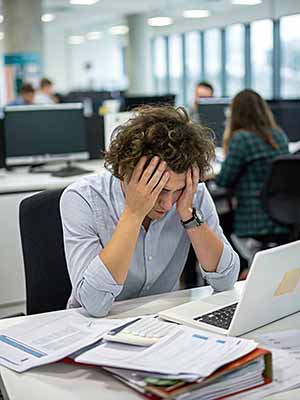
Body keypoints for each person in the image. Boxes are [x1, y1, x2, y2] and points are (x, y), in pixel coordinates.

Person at [60, 105, 240, 317]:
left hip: (163, 321)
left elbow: (226, 280)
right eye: (159, 190)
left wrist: (189, 216)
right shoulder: (82, 199)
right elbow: (94, 305)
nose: (167, 203)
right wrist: (133, 214)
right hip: (94, 328)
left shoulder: (192, 193)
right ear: (125, 171)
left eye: (177, 190)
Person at [216, 89, 290, 270]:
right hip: (283, 218)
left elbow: (223, 180)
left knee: (217, 221)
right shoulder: (279, 135)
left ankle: (231, 274)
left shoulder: (241, 139)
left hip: (253, 221)